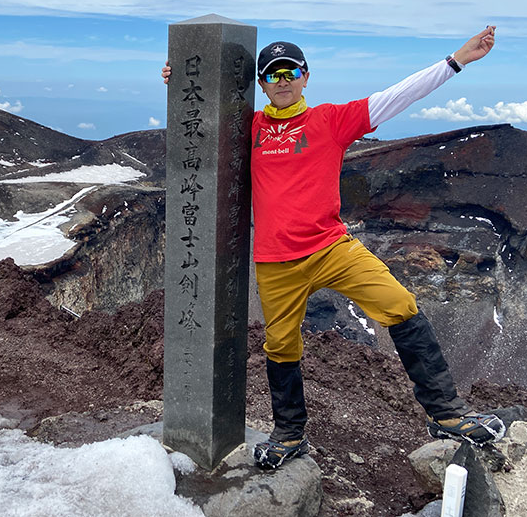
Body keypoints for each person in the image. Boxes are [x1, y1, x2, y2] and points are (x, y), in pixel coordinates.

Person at [162, 26, 504, 469]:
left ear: (306, 77)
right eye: (272, 74)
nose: (282, 79)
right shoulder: (247, 129)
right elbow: (199, 129)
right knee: (281, 345)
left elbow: (398, 96)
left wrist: (456, 61)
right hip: (275, 261)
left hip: (331, 248)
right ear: (261, 85)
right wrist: (184, 83)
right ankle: (288, 434)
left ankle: (447, 413)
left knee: (399, 304)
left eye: (290, 71)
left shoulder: (329, 121)